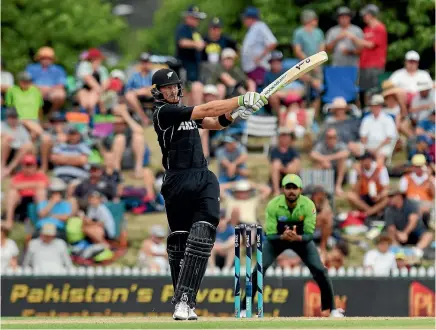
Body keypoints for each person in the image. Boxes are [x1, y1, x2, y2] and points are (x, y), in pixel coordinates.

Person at [151, 67, 267, 320]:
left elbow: (214, 122)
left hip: (203, 176)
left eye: (174, 87)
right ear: (158, 92)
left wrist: (236, 114)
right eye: (166, 88)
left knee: (203, 235)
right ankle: (182, 302)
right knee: (180, 244)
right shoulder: (163, 113)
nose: (172, 91)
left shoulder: (184, 112)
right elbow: (203, 110)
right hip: (176, 181)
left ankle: (186, 301)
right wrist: (240, 99)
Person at [240, 174, 344, 317]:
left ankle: (332, 309)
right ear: (283, 189)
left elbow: (309, 234)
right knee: (259, 268)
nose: (291, 191)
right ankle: (245, 308)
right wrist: (282, 236)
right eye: (288, 187)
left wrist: (298, 237)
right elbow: (269, 234)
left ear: (300, 190)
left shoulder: (308, 205)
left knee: (320, 270)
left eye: (294, 188)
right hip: (277, 241)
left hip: (301, 241)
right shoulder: (273, 205)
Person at [350, 4, 387, 105]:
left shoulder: (380, 28)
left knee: (374, 91)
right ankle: (366, 111)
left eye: (365, 15)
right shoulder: (366, 29)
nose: (363, 17)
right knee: (364, 91)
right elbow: (362, 46)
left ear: (371, 15)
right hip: (364, 65)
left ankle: (375, 111)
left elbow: (371, 45)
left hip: (375, 65)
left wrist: (354, 38)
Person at [385, 190, 433, 259]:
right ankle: (397, 250)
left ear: (399, 196)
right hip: (399, 234)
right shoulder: (389, 210)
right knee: (390, 234)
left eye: (391, 196)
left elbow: (413, 221)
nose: (389, 199)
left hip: (416, 232)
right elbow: (391, 227)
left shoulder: (411, 204)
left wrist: (405, 233)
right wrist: (398, 233)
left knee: (428, 235)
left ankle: (416, 251)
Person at [175, 5, 207, 105]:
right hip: (185, 65)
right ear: (187, 17)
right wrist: (195, 44)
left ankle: (194, 114)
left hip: (195, 66)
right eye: (193, 17)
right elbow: (182, 42)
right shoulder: (182, 28)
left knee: (195, 88)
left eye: (197, 18)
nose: (196, 20)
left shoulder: (196, 31)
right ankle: (186, 112)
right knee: (186, 89)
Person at [241, 6, 277, 86]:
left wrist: (259, 57)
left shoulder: (260, 26)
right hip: (251, 68)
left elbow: (272, 43)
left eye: (245, 18)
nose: (244, 21)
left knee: (260, 93)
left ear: (251, 18)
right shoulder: (252, 29)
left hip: (259, 67)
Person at [347, 152, 390, 217]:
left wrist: (379, 196)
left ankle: (369, 212)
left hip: (377, 196)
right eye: (363, 160)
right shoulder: (356, 170)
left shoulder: (380, 168)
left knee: (387, 196)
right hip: (363, 197)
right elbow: (355, 191)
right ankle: (372, 212)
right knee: (350, 195)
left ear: (371, 160)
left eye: (367, 160)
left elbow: (386, 187)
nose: (365, 163)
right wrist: (359, 176)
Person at [26, 46, 67, 112]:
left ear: (52, 59)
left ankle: (51, 115)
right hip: (36, 90)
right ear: (39, 58)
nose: (45, 60)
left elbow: (61, 85)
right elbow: (26, 83)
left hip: (53, 91)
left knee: (61, 95)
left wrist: (48, 89)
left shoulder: (59, 69)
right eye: (43, 58)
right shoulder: (31, 68)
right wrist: (40, 89)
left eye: (48, 58)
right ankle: (37, 116)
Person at [310, 127, 350, 195]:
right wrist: (323, 161)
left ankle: (338, 187)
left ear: (336, 137)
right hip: (325, 173)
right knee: (319, 163)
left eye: (334, 137)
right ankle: (320, 188)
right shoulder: (321, 145)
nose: (332, 139)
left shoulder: (340, 144)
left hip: (338, 175)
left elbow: (346, 153)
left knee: (342, 161)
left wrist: (328, 158)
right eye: (329, 137)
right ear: (326, 137)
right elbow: (313, 154)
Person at [125, 52, 154, 125]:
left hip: (151, 95)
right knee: (129, 95)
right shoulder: (135, 75)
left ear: (149, 63)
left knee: (151, 90)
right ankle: (143, 118)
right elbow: (128, 88)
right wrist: (138, 91)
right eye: (143, 62)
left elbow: (157, 87)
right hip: (137, 96)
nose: (145, 64)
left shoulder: (153, 74)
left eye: (146, 62)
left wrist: (144, 90)